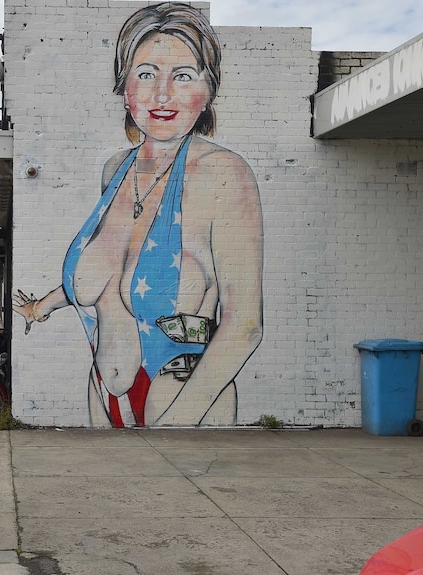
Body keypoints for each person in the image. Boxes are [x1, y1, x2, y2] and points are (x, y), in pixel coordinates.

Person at [13, 2, 263, 428]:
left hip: (184, 404)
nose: (162, 95)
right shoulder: (116, 170)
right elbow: (113, 271)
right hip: (104, 396)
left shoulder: (225, 175)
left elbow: (245, 325)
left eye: (182, 76)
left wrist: (172, 427)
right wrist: (43, 307)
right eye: (146, 74)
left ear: (208, 90)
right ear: (124, 87)